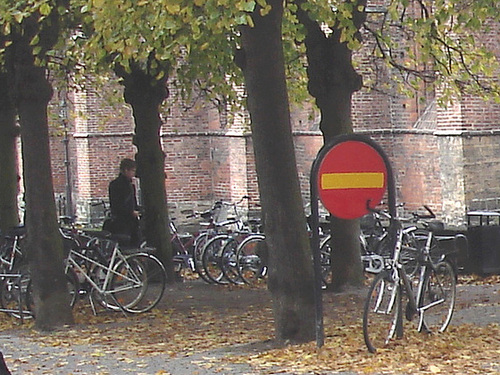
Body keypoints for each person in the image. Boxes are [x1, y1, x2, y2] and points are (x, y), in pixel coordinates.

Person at [106, 158, 141, 246]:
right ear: (126, 170)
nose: (134, 174)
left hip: (125, 221)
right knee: (129, 246)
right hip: (124, 223)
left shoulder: (126, 184)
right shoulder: (122, 185)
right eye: (132, 171)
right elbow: (119, 204)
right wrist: (131, 211)